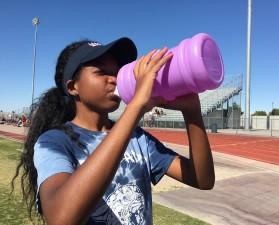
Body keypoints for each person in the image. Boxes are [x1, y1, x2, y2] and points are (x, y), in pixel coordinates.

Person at [12, 37, 215, 224]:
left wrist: (192, 111)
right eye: (101, 72)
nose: (114, 79)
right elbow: (61, 218)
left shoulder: (137, 138)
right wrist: (136, 106)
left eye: (117, 72)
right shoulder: (55, 142)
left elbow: (202, 179)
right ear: (73, 87)